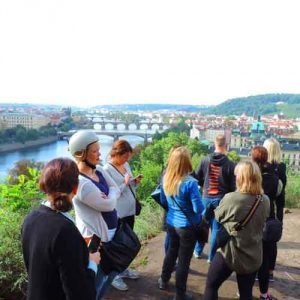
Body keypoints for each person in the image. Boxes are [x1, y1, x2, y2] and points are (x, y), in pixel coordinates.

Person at [21, 158, 100, 300]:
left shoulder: (30, 219)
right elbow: (80, 295)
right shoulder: (65, 231)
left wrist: (79, 248)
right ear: (75, 189)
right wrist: (92, 263)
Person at [203, 160, 270, 300]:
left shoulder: (232, 198)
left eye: (236, 175)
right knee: (246, 294)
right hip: (253, 255)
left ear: (241, 178)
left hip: (230, 253)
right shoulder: (265, 200)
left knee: (211, 285)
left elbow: (218, 217)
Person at [68, 130, 121, 300]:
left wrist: (111, 195)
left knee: (109, 275)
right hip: (95, 242)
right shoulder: (81, 183)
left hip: (109, 238)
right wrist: (111, 197)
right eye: (95, 151)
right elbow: (108, 204)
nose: (100, 154)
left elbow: (117, 189)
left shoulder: (98, 171)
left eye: (99, 150)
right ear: (80, 154)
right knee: (93, 285)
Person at [158, 146, 204, 300]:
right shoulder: (191, 183)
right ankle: (179, 294)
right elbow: (198, 209)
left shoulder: (166, 178)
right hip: (187, 227)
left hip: (172, 223)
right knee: (184, 261)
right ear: (187, 162)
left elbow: (164, 201)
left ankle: (163, 280)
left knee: (171, 252)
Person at [104, 139, 141, 291]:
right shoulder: (107, 170)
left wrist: (134, 182)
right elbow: (111, 194)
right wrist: (125, 183)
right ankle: (114, 276)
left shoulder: (126, 165)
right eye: (125, 157)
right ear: (117, 154)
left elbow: (129, 183)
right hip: (118, 214)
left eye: (128, 158)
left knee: (127, 243)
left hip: (130, 211)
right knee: (117, 245)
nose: (127, 160)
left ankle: (123, 269)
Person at [193, 134, 236, 262]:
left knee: (203, 225)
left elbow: (197, 178)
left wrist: (204, 187)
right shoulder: (230, 164)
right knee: (216, 229)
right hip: (221, 200)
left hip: (206, 197)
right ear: (226, 145)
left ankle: (197, 250)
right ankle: (211, 257)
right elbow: (233, 186)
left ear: (214, 144)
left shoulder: (204, 160)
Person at [252, 146, 280, 300]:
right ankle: (264, 293)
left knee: (248, 256)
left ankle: (243, 290)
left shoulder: (249, 175)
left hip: (249, 220)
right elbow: (278, 194)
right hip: (267, 219)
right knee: (264, 259)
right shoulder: (275, 178)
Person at [263, 138, 287, 281]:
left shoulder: (260, 166)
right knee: (272, 242)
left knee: (259, 240)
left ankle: (258, 269)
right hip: (273, 208)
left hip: (259, 207)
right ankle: (270, 272)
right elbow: (281, 194)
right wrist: (280, 218)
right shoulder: (281, 167)